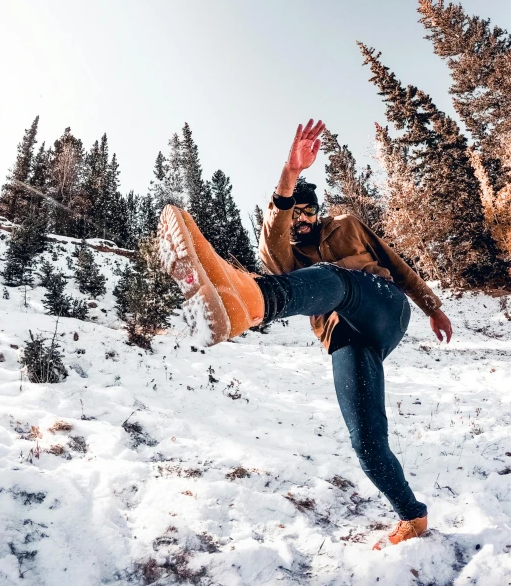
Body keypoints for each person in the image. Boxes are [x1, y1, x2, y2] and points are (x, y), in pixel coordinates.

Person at [158, 119, 453, 550]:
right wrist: (288, 176)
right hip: (346, 337)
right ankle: (412, 514)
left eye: (308, 213)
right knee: (366, 439)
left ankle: (246, 304)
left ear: (319, 211)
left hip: (382, 306)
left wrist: (433, 306)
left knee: (336, 280)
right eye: (295, 215)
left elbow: (397, 261)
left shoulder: (348, 225)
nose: (301, 222)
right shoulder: (287, 250)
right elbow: (272, 239)